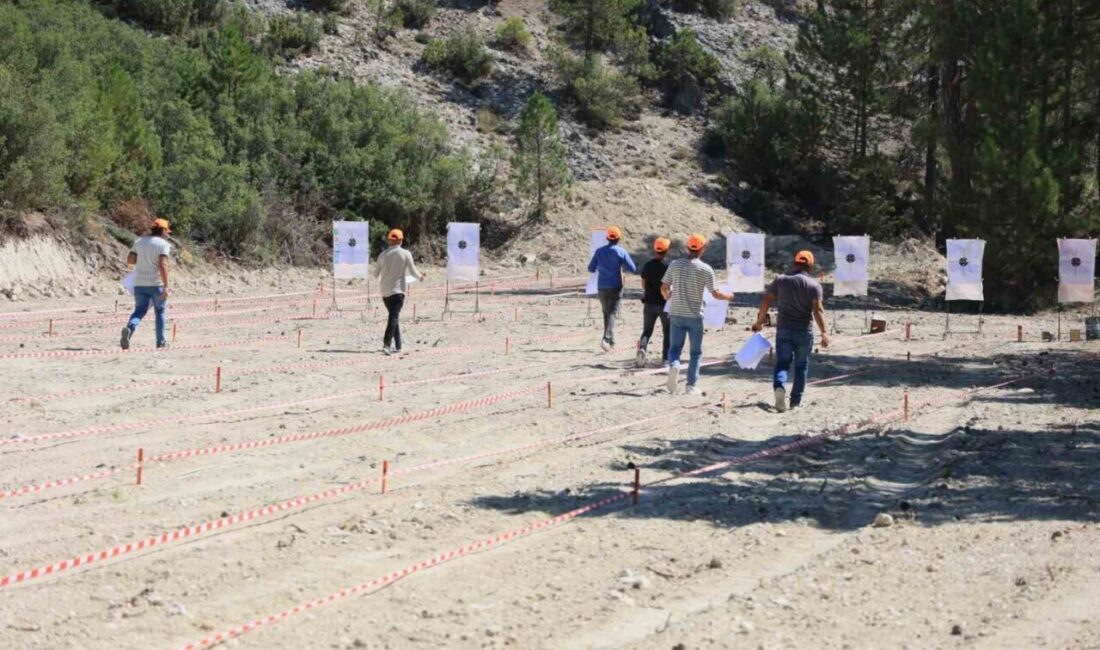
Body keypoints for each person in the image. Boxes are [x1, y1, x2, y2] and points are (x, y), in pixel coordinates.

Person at [752, 250, 830, 412]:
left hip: (784, 330)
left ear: (795, 263)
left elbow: (766, 299)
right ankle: (795, 401)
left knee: (782, 363)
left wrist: (759, 322)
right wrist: (824, 332)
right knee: (801, 366)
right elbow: (818, 311)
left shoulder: (780, 280)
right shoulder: (814, 285)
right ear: (810, 265)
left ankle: (779, 387)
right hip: (803, 331)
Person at [661, 234, 733, 395]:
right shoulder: (706, 269)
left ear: (687, 247)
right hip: (695, 315)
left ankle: (674, 365)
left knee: (674, 349)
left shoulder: (674, 265)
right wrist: (728, 297)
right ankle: (691, 385)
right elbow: (715, 294)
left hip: (676, 313)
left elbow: (664, 287)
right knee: (695, 352)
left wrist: (667, 296)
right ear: (702, 249)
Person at [120, 218, 172, 350]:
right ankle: (160, 342)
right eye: (167, 231)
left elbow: (130, 260)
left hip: (139, 283)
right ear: (163, 231)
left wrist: (144, 258)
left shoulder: (139, 241)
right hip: (156, 283)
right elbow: (163, 265)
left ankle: (130, 329)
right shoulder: (163, 245)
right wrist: (166, 286)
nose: (168, 234)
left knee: (139, 310)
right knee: (159, 312)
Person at [371, 228, 424, 355]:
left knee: (393, 317)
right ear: (400, 240)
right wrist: (421, 277)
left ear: (389, 240)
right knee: (393, 317)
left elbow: (375, 274)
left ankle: (398, 345)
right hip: (398, 291)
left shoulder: (382, 255)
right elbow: (413, 272)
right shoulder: (406, 253)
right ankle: (387, 344)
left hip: (384, 292)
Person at [587, 226, 637, 351]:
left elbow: (590, 268)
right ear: (619, 238)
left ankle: (611, 341)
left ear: (607, 238)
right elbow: (633, 268)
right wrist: (621, 266)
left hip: (602, 287)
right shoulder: (621, 251)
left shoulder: (599, 251)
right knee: (612, 312)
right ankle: (606, 338)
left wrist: (600, 268)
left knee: (607, 313)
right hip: (616, 286)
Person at [636, 237, 671, 367]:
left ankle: (642, 349)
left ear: (655, 249)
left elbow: (643, 284)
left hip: (649, 303)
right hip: (664, 304)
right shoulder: (669, 266)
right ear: (667, 250)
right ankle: (666, 359)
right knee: (667, 331)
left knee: (647, 331)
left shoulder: (648, 265)